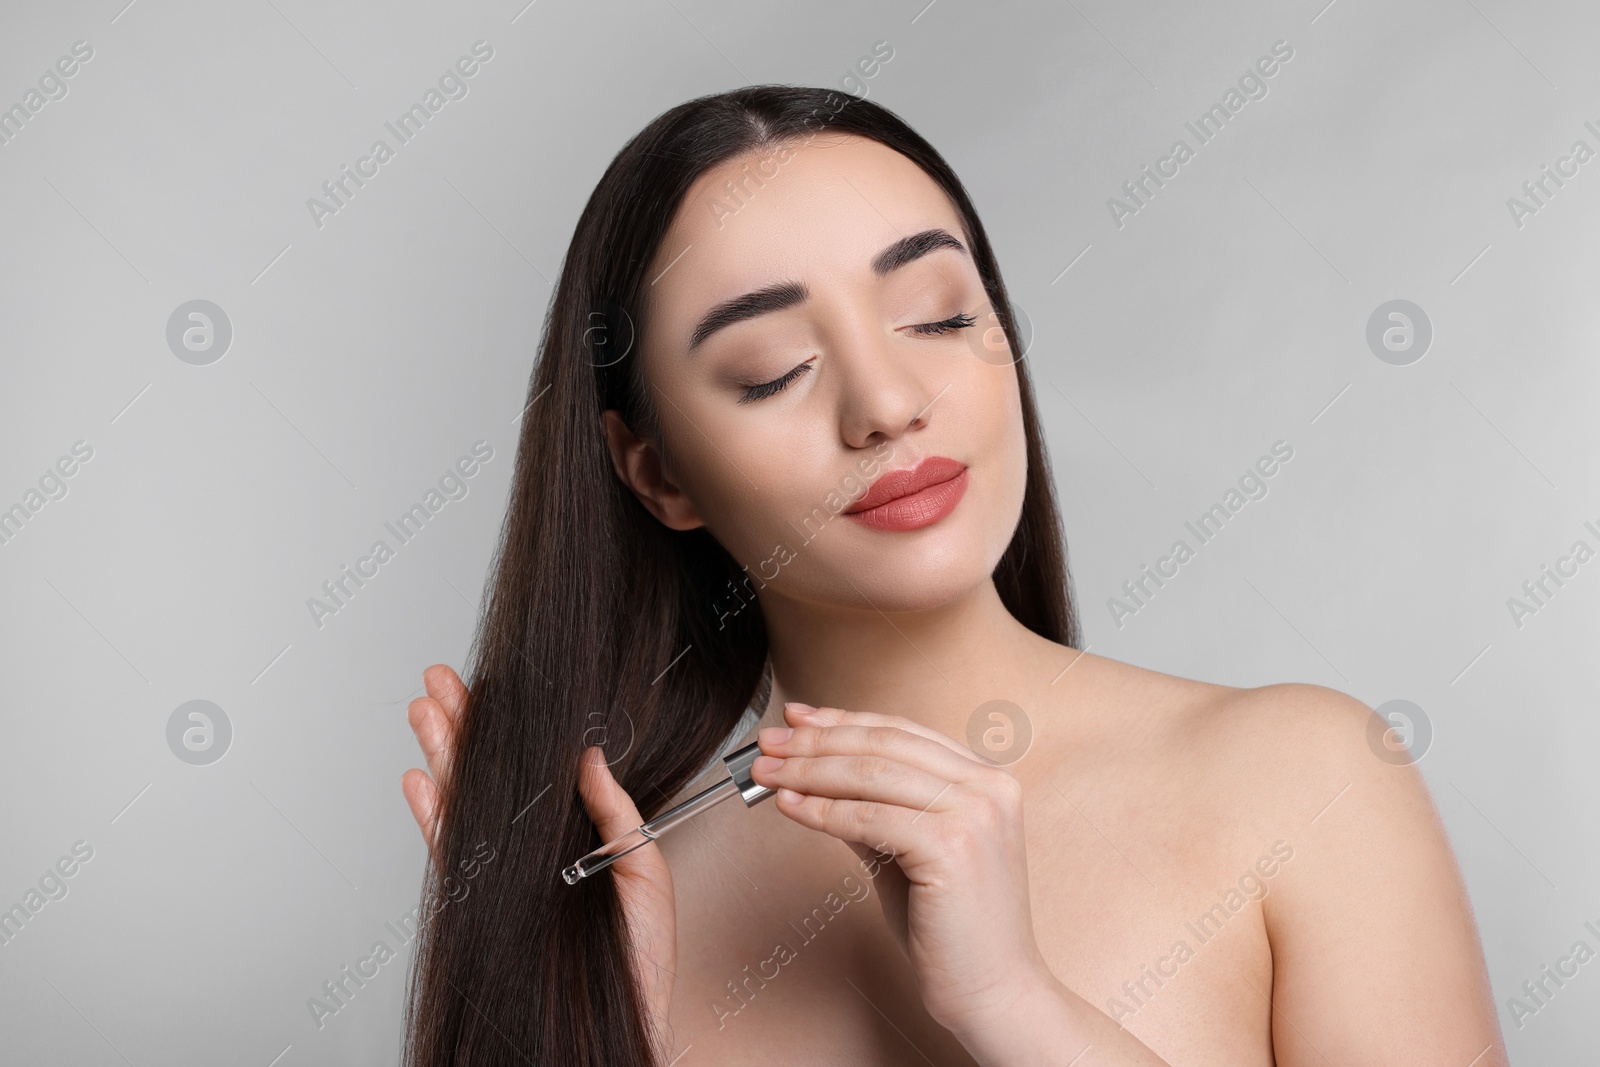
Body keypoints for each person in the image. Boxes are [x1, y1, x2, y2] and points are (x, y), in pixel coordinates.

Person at [396, 85, 1506, 1066]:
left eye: (937, 313)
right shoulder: (617, 898)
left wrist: (1016, 1005)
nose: (885, 403)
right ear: (657, 471)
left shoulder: (1302, 779)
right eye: (771, 368)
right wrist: (550, 998)